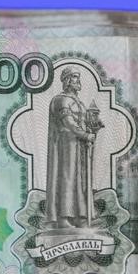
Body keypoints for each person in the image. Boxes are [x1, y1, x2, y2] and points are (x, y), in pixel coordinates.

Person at [45, 67, 95, 228]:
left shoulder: (79, 102)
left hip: (80, 145)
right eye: (74, 77)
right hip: (65, 145)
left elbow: (85, 121)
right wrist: (85, 135)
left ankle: (80, 215)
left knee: (80, 179)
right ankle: (63, 217)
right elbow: (69, 123)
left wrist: (92, 129)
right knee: (67, 178)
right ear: (66, 80)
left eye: (78, 77)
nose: (77, 80)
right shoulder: (61, 100)